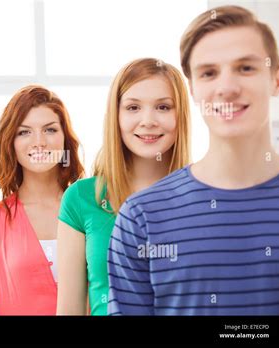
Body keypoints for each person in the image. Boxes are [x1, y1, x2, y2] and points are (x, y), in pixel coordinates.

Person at [108, 5, 279, 315]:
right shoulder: (140, 218)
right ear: (192, 89)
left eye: (246, 68)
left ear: (276, 79)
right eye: (209, 73)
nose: (227, 88)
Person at [57, 58, 191, 315]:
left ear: (181, 116)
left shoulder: (205, 198)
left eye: (163, 107)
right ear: (115, 116)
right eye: (133, 107)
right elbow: (69, 309)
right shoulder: (81, 199)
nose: (148, 120)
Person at [0, 85, 85, 315]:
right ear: (10, 142)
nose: (39, 141)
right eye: (24, 132)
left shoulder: (91, 208)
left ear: (65, 138)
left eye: (50, 130)